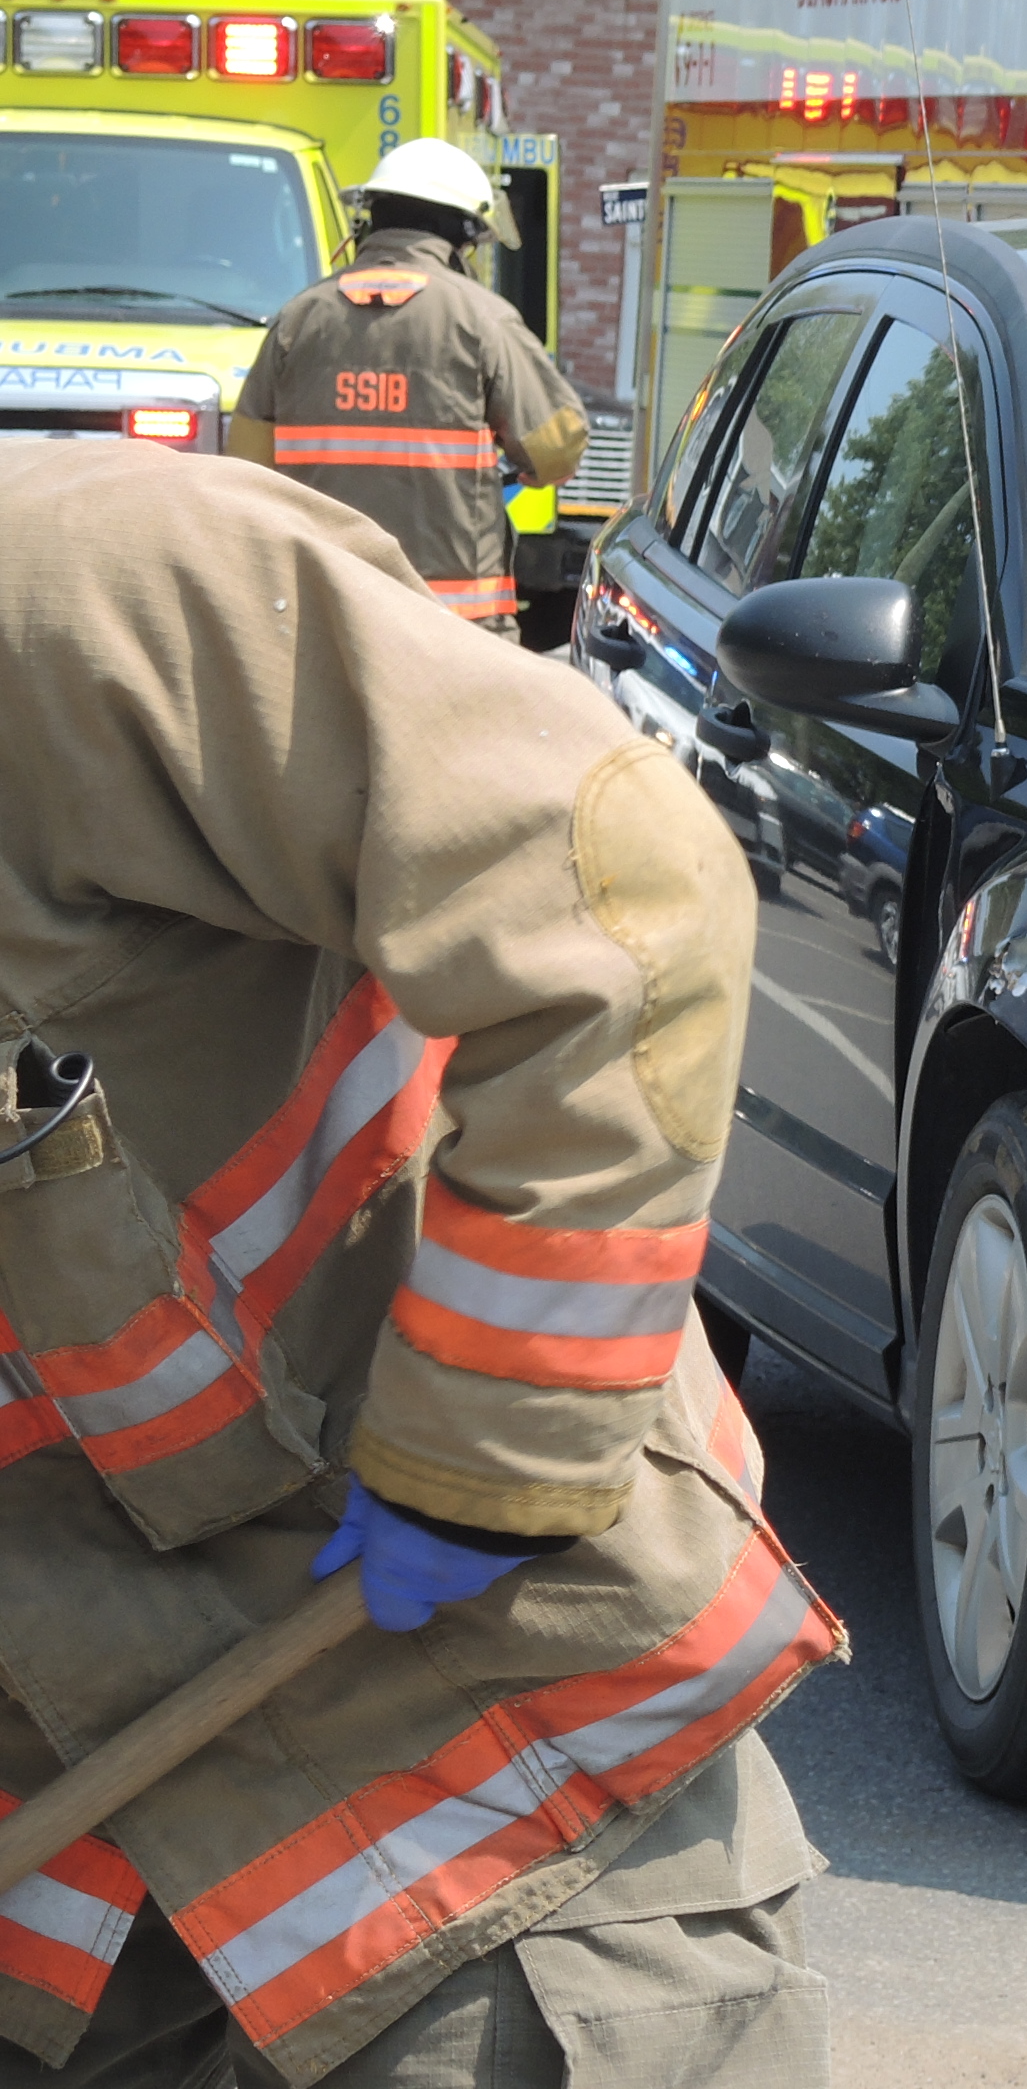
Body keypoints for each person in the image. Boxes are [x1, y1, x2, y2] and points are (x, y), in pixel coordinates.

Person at [0, 436, 840, 2086]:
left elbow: (616, 893)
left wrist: (489, 1449)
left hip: (449, 1747)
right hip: (68, 1860)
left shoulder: (76, 594)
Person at [228, 139, 587, 632]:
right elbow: (558, 450)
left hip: (321, 616)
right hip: (453, 628)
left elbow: (245, 470)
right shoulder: (483, 319)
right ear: (462, 234)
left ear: (370, 222)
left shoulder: (299, 319)